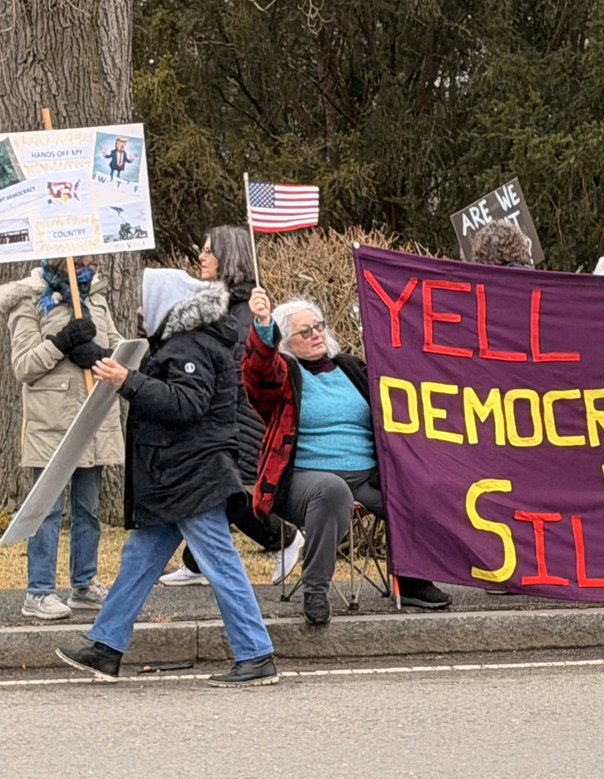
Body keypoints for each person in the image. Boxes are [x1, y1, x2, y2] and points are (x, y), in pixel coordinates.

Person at [56, 269, 278, 686]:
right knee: (138, 560)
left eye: (145, 300)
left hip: (192, 474)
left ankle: (256, 654)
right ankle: (106, 647)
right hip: (176, 474)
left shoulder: (190, 344)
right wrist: (91, 355)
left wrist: (127, 381)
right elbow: (150, 379)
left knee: (221, 564)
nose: (141, 309)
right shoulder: (182, 342)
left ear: (166, 302)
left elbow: (185, 404)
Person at [242, 287, 453, 625]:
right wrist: (264, 325)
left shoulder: (351, 368)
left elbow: (396, 397)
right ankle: (315, 590)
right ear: (286, 343)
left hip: (365, 477)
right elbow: (258, 373)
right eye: (304, 332)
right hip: (305, 482)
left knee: (416, 486)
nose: (316, 334)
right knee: (332, 490)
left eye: (318, 326)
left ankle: (412, 582)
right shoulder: (284, 376)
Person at [159, 226, 304, 588]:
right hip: (227, 416)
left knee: (228, 492)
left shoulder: (243, 311)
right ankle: (196, 562)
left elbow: (242, 370)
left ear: (228, 257)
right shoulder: (220, 304)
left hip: (238, 417)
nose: (201, 257)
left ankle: (283, 537)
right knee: (217, 490)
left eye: (209, 251)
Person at [0, 258, 123, 620]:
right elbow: (24, 366)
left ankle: (84, 584)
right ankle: (39, 590)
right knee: (47, 510)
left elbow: (117, 345)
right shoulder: (28, 299)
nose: (88, 260)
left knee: (88, 509)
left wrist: (102, 356)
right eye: (80, 254)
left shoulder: (95, 295)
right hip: (51, 421)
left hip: (93, 415)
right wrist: (61, 342)